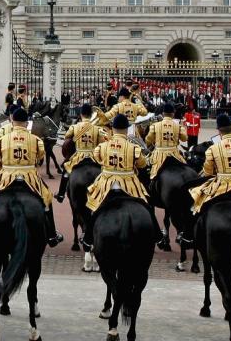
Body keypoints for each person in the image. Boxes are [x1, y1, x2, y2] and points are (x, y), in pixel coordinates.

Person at [0, 106, 62, 247]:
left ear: (12, 121)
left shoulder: (2, 139)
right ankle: (52, 235)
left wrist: (0, 171)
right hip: (30, 176)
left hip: (6, 175)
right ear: (27, 123)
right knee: (47, 197)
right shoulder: (36, 140)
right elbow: (40, 158)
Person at [84, 115, 157, 250]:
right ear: (126, 129)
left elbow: (97, 159)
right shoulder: (134, 148)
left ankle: (88, 237)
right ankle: (157, 234)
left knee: (93, 206)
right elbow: (141, 164)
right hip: (129, 185)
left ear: (113, 128)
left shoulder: (102, 146)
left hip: (106, 184)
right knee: (146, 204)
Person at [55, 103, 108, 202]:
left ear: (81, 114)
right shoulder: (97, 129)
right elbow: (101, 143)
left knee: (66, 171)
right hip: (93, 156)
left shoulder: (74, 127)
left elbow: (67, 138)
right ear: (91, 114)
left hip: (78, 156)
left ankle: (61, 195)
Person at [144, 102, 189, 179]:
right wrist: (184, 128)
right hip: (175, 154)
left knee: (148, 169)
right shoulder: (178, 126)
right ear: (173, 114)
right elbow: (185, 139)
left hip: (159, 155)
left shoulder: (155, 126)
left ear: (163, 113)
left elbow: (148, 140)